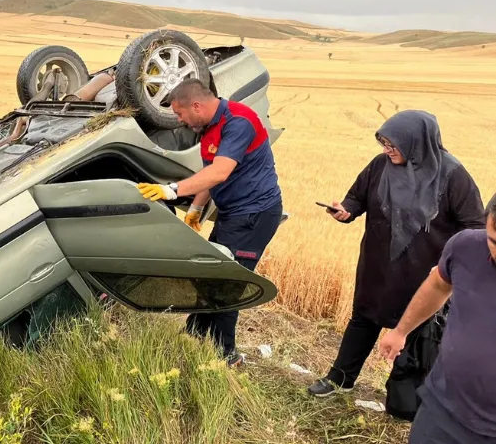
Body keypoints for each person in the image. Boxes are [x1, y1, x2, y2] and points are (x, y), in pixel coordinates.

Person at [307, 110, 485, 401]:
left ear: (417, 141)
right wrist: (345, 210)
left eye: (393, 145)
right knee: (363, 318)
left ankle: (403, 396)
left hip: (424, 273)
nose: (387, 150)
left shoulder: (453, 175)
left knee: (418, 333)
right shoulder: (380, 166)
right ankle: (340, 378)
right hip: (378, 264)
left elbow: (475, 226)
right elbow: (357, 197)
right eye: (384, 144)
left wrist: (452, 265)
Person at [135, 78, 283, 366]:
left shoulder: (239, 121)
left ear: (197, 105)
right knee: (210, 275)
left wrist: (172, 190)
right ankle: (194, 334)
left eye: (179, 114)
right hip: (233, 214)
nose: (179, 120)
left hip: (254, 215)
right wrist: (196, 208)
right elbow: (209, 173)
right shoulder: (209, 128)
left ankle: (225, 355)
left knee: (229, 284)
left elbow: (220, 173)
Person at [378, 191, 496, 444]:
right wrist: (401, 331)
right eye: (495, 242)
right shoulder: (465, 247)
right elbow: (438, 286)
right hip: (440, 412)